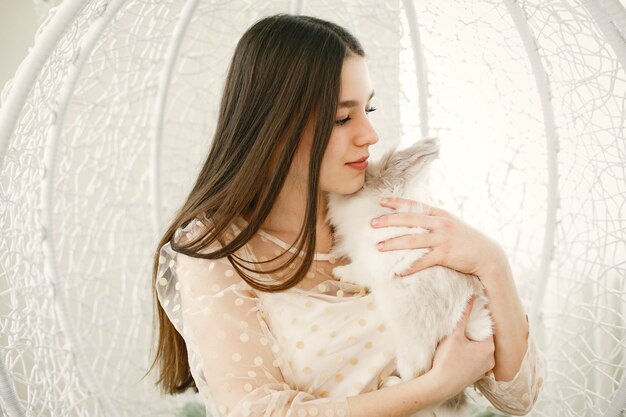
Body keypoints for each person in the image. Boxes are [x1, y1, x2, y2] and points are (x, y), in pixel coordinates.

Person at [147, 13, 544, 417]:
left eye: (369, 109)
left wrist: (491, 263)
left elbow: (518, 397)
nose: (369, 134)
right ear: (275, 123)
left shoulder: (389, 213)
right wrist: (434, 386)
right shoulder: (216, 249)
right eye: (342, 117)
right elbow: (256, 410)